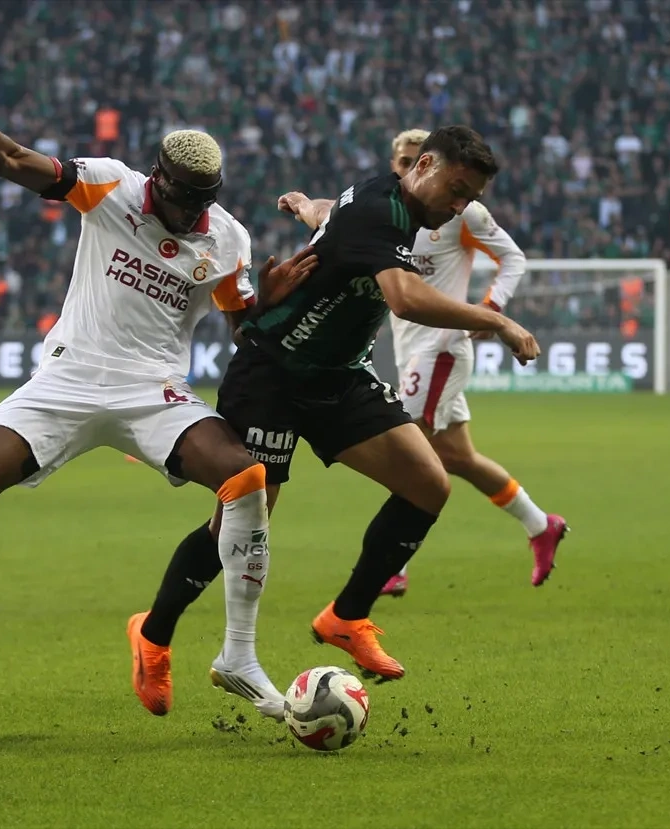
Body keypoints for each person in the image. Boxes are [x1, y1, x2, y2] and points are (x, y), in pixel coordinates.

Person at [0, 44, 317, 721]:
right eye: (176, 197)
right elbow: (9, 161)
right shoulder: (110, 185)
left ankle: (239, 656)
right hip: (71, 373)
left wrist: (268, 304)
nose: (184, 213)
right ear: (158, 177)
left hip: (153, 388)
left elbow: (241, 330)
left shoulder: (227, 240)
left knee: (246, 478)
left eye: (198, 203)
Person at [133, 126, 541, 692]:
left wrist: (309, 208)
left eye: (470, 198)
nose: (459, 206)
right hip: (274, 374)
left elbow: (332, 214)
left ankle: (346, 618)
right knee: (243, 522)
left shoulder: (392, 205)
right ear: (424, 166)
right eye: (457, 190)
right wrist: (497, 319)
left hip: (339, 376)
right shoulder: (381, 212)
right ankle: (153, 633)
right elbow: (404, 298)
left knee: (428, 484)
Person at [383, 129, 568, 597]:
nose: (408, 167)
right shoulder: (386, 212)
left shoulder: (459, 214)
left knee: (407, 453)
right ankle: (541, 524)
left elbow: (513, 258)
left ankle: (391, 564)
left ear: (431, 164)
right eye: (401, 161)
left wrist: (493, 308)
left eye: (416, 159)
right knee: (457, 458)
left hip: (440, 348)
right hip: (411, 348)